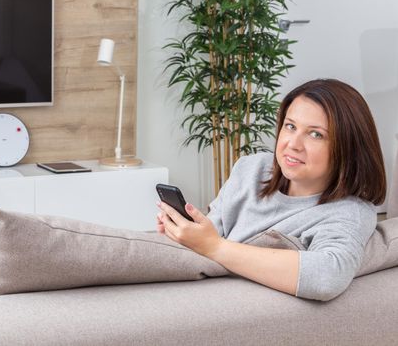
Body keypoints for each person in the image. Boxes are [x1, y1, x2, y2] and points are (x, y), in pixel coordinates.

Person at [157, 79, 386, 301]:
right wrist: (186, 232)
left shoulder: (349, 212)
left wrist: (214, 247)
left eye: (316, 134)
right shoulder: (252, 168)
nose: (293, 144)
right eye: (290, 126)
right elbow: (213, 228)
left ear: (348, 146)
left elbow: (326, 277)